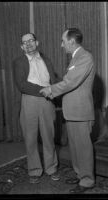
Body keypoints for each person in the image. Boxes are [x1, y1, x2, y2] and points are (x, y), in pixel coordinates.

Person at [40, 28, 95, 193]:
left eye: (63, 41)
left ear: (71, 41)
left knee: (83, 148)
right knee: (75, 148)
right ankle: (80, 176)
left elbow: (70, 82)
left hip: (81, 112)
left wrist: (50, 89)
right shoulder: (75, 58)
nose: (61, 45)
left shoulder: (85, 57)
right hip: (72, 112)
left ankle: (87, 180)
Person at [12, 33, 60, 184]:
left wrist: (61, 87)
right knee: (31, 138)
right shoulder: (18, 61)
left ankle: (51, 168)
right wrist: (45, 89)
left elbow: (54, 80)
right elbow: (22, 85)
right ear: (22, 47)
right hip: (29, 101)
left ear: (37, 42)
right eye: (24, 42)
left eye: (31, 40)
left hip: (47, 102)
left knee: (48, 137)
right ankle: (34, 171)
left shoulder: (46, 60)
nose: (28, 44)